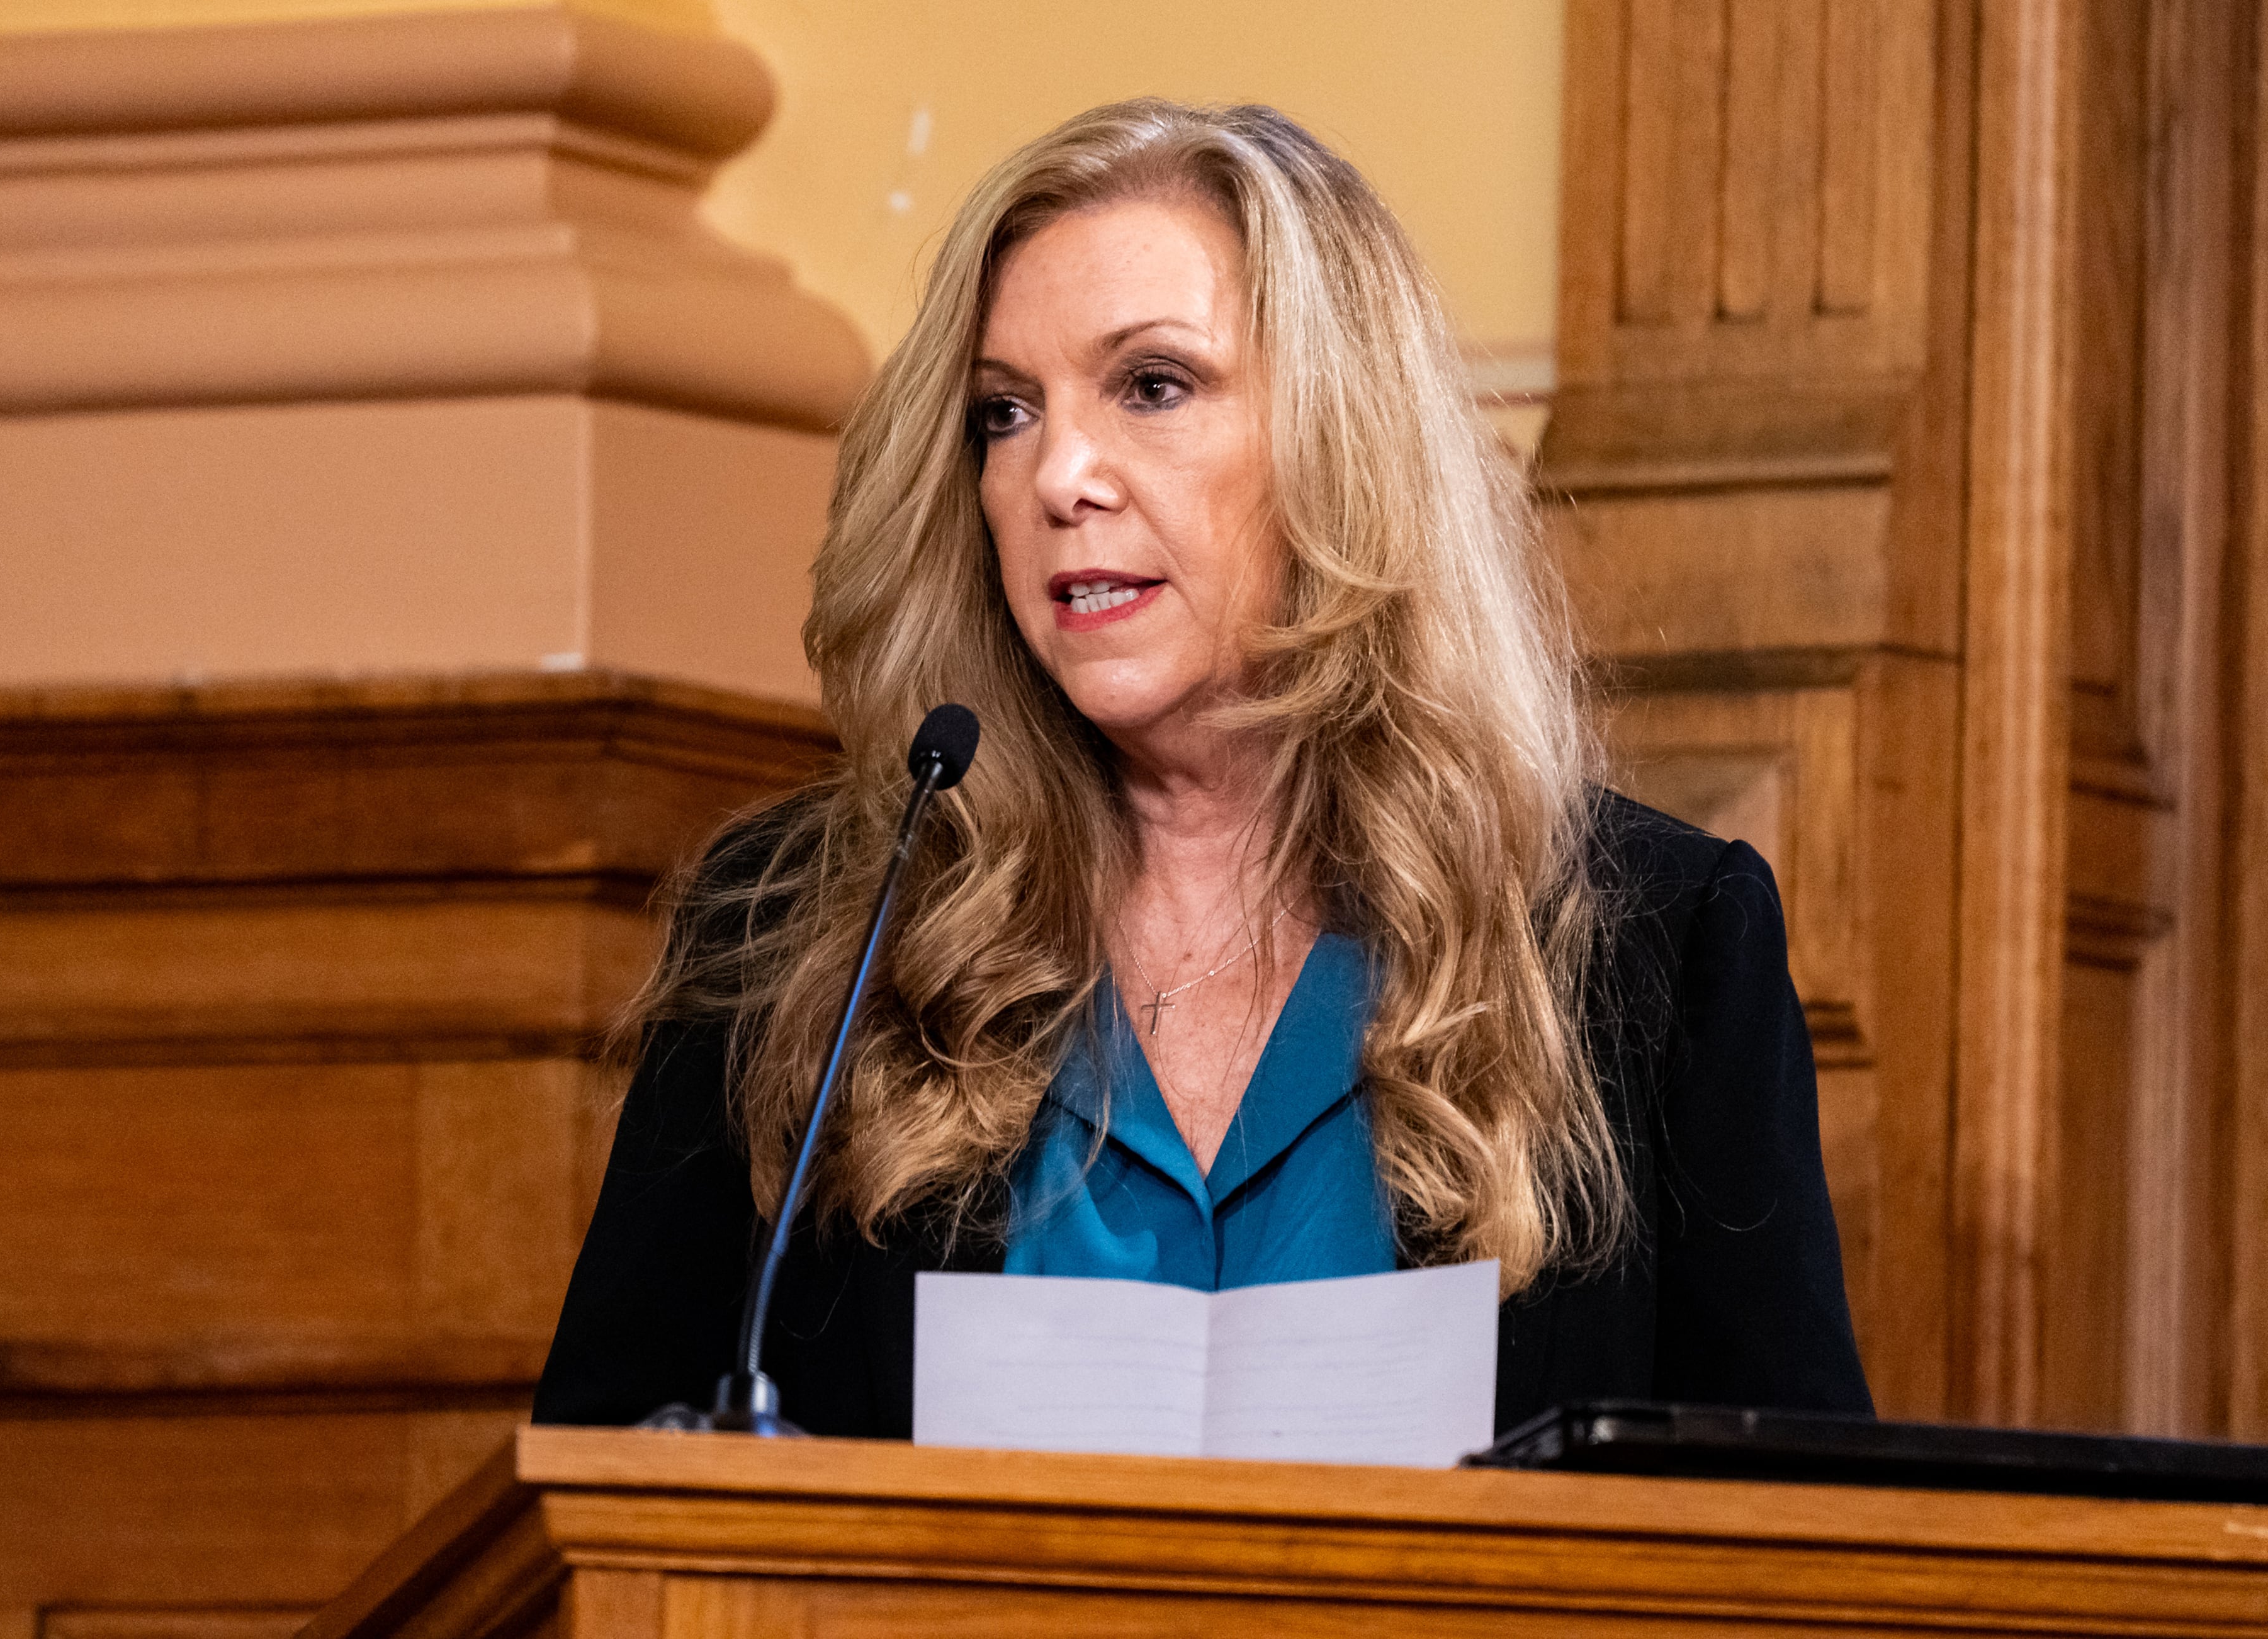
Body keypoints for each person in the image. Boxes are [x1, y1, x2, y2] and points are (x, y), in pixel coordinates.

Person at [533, 99, 1871, 1438]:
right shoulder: (800, 934)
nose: (1059, 474)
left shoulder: (1651, 948)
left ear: (1342, 445)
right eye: (1004, 412)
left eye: (1152, 386)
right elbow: (610, 1475)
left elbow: (1794, 1533)